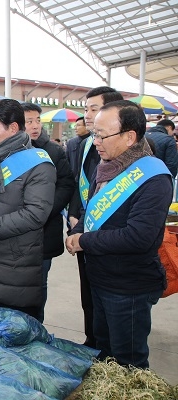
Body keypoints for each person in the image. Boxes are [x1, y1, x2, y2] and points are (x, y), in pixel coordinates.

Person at [65, 100, 172, 369]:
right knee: (104, 349)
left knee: (129, 362)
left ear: (129, 137)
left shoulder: (153, 177)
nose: (96, 141)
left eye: (102, 135)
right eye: (94, 134)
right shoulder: (105, 167)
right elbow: (92, 212)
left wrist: (83, 240)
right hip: (100, 279)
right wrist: (77, 230)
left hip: (128, 287)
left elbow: (139, 237)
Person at [0, 99, 56, 319]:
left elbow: (36, 213)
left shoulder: (39, 164)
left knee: (18, 328)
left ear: (14, 128)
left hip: (18, 258)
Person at [67, 86, 124, 348]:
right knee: (88, 292)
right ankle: (92, 340)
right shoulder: (85, 144)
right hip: (82, 229)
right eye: (86, 109)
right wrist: (74, 216)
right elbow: (81, 182)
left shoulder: (129, 153)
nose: (87, 115)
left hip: (107, 236)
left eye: (93, 109)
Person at [22, 102, 75, 323]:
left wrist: (44, 210)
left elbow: (66, 185)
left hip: (44, 230)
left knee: (38, 283)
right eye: (28, 122)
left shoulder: (52, 150)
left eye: (37, 121)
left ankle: (36, 326)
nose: (35, 126)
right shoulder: (9, 151)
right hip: (14, 232)